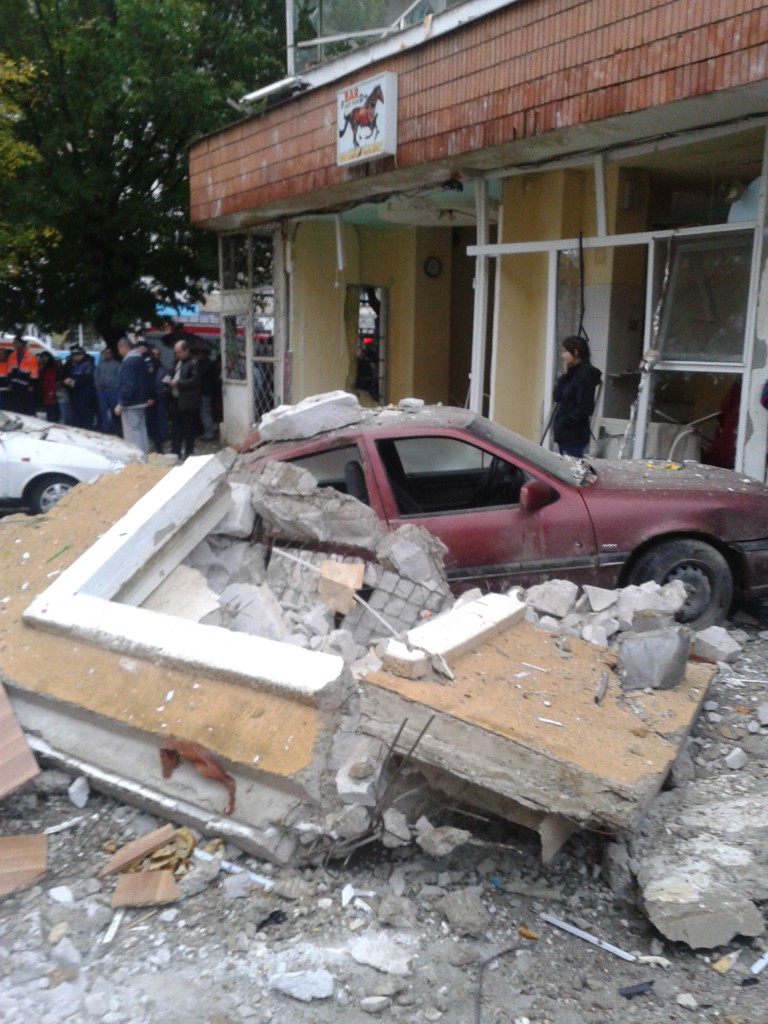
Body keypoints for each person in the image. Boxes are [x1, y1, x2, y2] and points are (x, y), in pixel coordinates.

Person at [552, 335, 602, 458]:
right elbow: (557, 396)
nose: (562, 355)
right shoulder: (572, 374)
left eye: (565, 351)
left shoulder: (585, 375)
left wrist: (565, 422)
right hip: (564, 434)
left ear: (575, 352)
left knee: (572, 465)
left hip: (574, 435)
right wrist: (565, 375)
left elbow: (585, 408)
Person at [115, 335, 153, 454]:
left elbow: (128, 385)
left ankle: (136, 458)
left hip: (131, 403)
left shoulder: (128, 362)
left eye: (119, 349)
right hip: (141, 401)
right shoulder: (140, 359)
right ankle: (143, 454)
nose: (119, 352)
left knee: (132, 435)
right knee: (141, 430)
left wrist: (121, 403)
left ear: (123, 347)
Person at [169, 339, 201, 461]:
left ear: (186, 351)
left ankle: (188, 451)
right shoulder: (176, 362)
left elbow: (194, 381)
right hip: (176, 398)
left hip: (188, 401)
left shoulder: (193, 363)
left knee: (188, 428)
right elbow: (172, 373)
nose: (177, 354)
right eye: (176, 352)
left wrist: (178, 383)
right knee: (176, 427)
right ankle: (175, 450)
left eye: (179, 352)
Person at [63, 345, 98, 429]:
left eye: (76, 355)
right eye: (73, 355)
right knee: (77, 418)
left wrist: (72, 382)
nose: (74, 357)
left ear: (81, 355)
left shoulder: (88, 365)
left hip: (86, 396)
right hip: (76, 395)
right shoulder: (76, 365)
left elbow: (87, 379)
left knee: (86, 417)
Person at [4, 335, 39, 415]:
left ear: (21, 343)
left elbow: (34, 373)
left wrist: (31, 385)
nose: (14, 345)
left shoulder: (31, 357)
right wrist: (10, 383)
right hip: (15, 386)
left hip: (26, 386)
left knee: (27, 408)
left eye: (16, 343)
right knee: (17, 409)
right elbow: (9, 371)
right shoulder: (12, 356)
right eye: (14, 343)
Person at [145, 344, 170, 454]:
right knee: (150, 421)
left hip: (160, 397)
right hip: (148, 398)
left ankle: (160, 443)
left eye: (158, 355)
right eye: (154, 354)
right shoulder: (147, 367)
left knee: (160, 420)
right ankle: (153, 440)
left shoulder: (163, 368)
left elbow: (166, 383)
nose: (156, 357)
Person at [95, 344, 121, 433]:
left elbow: (119, 376)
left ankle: (116, 428)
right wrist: (97, 386)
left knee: (114, 409)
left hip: (112, 390)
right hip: (102, 390)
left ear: (112, 354)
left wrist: (117, 386)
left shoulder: (116, 364)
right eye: (105, 353)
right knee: (102, 409)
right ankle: (105, 428)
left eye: (108, 353)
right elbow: (96, 375)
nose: (106, 355)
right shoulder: (100, 364)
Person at [37, 351, 61, 422]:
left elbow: (54, 379)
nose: (44, 359)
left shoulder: (53, 367)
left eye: (45, 357)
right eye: (42, 357)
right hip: (45, 390)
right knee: (49, 408)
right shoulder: (43, 367)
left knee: (51, 408)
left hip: (51, 391)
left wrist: (53, 390)